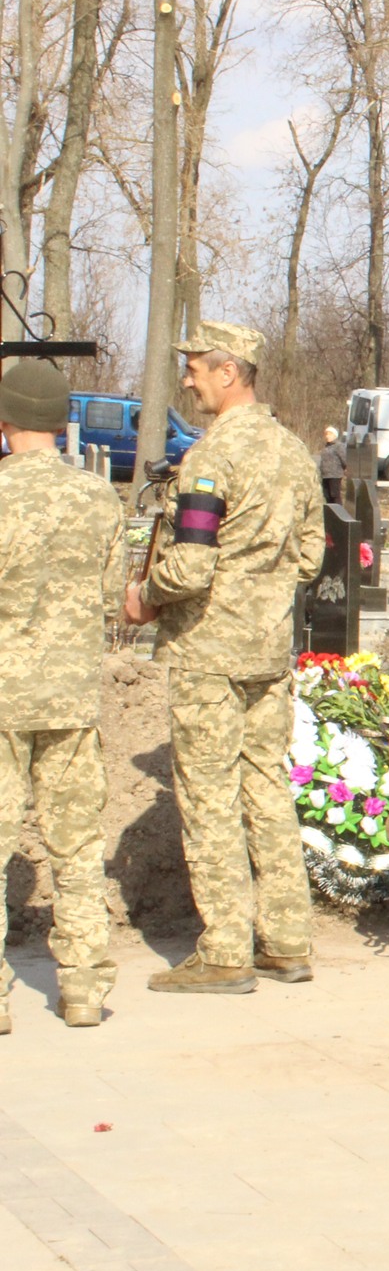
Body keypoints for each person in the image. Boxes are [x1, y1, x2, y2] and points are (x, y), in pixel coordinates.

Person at [124, 322, 326, 994]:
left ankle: (226, 953)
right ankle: (287, 942)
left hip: (210, 651)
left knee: (210, 796)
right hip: (267, 648)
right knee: (266, 787)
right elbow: (312, 555)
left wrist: (146, 596)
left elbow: (189, 566)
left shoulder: (209, 458)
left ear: (228, 372)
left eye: (195, 369)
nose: (188, 381)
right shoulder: (293, 451)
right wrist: (262, 587)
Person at [0, 361, 126, 1030]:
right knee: (76, 847)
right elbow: (111, 600)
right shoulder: (99, 498)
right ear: (60, 421)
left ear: (4, 419)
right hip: (72, 697)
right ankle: (82, 987)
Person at [317, 426, 346, 505]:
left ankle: (338, 511)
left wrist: (345, 469)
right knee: (327, 496)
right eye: (326, 434)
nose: (327, 436)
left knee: (335, 495)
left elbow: (344, 459)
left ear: (335, 435)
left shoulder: (339, 446)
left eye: (330, 434)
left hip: (335, 475)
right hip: (325, 475)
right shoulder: (326, 447)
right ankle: (330, 511)